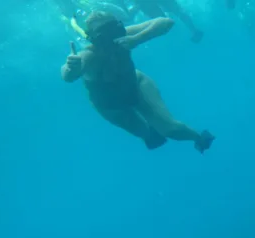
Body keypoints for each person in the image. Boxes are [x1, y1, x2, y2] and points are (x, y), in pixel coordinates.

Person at [61, 11, 215, 153]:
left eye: (116, 29)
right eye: (105, 34)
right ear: (94, 38)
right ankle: (151, 132)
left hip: (137, 84)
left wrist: (138, 39)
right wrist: (71, 66)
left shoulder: (126, 36)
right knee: (149, 135)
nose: (113, 37)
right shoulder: (89, 55)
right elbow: (69, 76)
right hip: (112, 106)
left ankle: (199, 138)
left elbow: (166, 22)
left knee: (171, 128)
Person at [124, 0, 204, 43]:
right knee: (174, 13)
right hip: (143, 2)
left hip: (143, 2)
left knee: (165, 19)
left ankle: (191, 31)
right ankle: (192, 31)